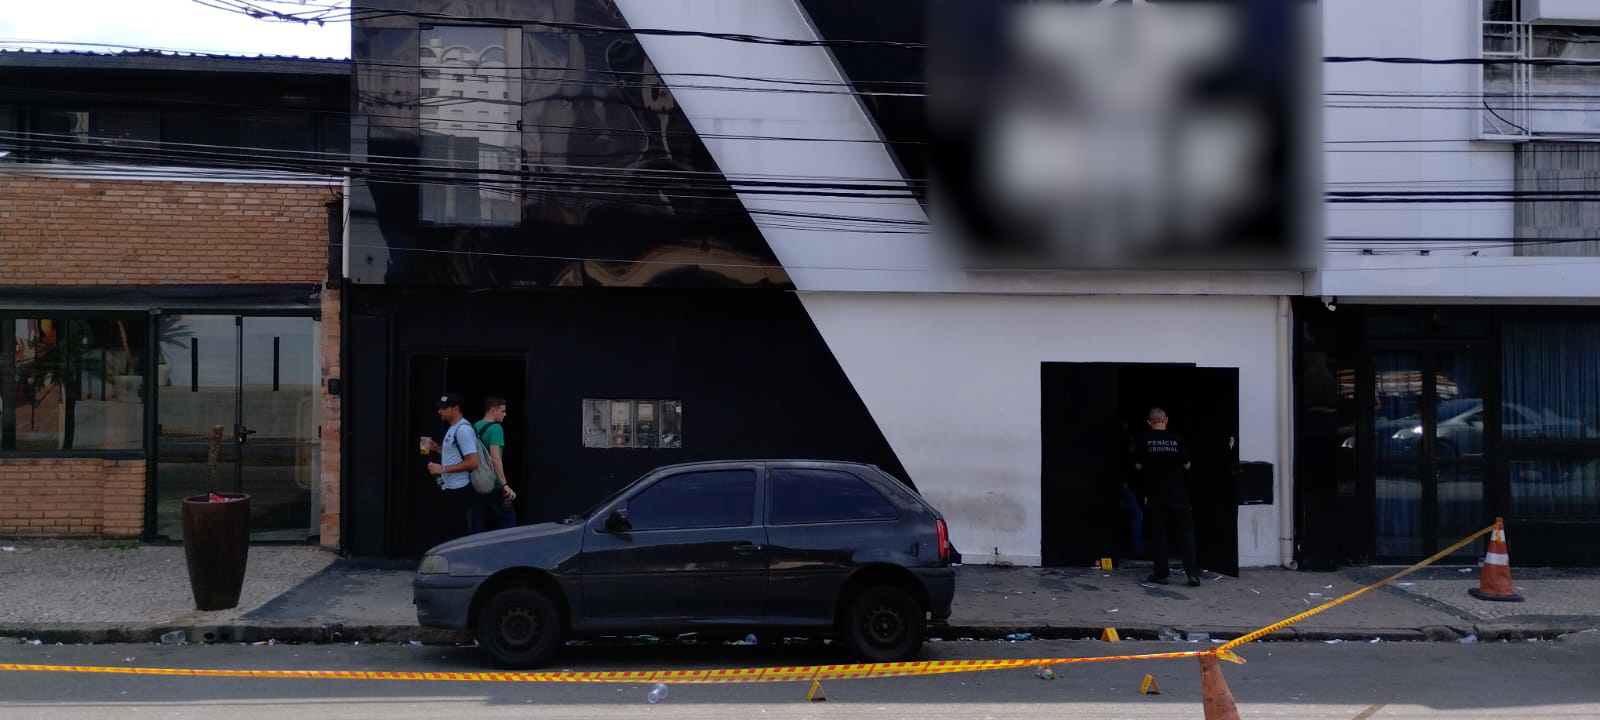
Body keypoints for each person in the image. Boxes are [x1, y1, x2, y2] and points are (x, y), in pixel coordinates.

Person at [1134, 407, 1200, 587]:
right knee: (1185, 533)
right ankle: (1192, 574)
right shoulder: (1176, 440)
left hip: (1156, 495)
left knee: (1159, 534)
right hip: (1178, 495)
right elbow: (1187, 465)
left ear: (1149, 422)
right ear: (1166, 420)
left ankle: (1161, 573)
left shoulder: (1144, 440)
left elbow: (1138, 466)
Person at [422, 392, 479, 542]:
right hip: (450, 488)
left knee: (458, 533)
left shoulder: (463, 430)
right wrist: (436, 448)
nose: (439, 411)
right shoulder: (453, 428)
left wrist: (442, 469)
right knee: (450, 529)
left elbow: (473, 462)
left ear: (455, 408)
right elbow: (455, 454)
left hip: (459, 490)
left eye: (444, 408)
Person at [472, 396, 518, 532]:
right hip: (494, 484)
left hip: (477, 482)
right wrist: (504, 484)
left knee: (478, 522)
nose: (505, 414)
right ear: (493, 410)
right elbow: (496, 458)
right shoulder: (496, 429)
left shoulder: (475, 427)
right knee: (508, 521)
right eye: (502, 411)